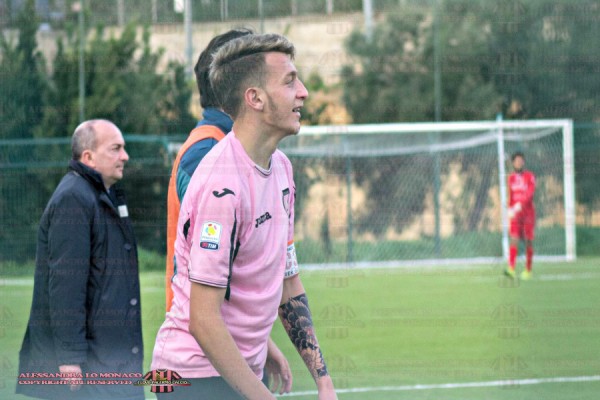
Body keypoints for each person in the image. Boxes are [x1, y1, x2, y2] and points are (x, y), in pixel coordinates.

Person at [151, 33, 337, 399]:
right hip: (192, 378)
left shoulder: (281, 168)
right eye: (290, 81)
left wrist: (323, 380)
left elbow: (288, 281)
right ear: (255, 98)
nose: (303, 92)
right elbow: (203, 320)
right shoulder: (221, 184)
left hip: (238, 369)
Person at [164, 28, 290, 390]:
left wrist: (262, 342)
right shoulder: (209, 155)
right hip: (202, 359)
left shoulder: (255, 155)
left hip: (229, 348)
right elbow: (210, 268)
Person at [16, 120, 144, 400]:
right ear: (88, 157)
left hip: (111, 361)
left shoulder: (103, 196)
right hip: (91, 367)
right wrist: (70, 357)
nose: (125, 156)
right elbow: (66, 285)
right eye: (116, 148)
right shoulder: (73, 198)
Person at [504, 151, 536, 280]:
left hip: (527, 214)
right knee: (514, 239)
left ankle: (528, 270)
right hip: (516, 215)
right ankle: (511, 268)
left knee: (528, 241)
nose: (519, 163)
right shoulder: (511, 178)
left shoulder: (529, 176)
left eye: (521, 160)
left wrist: (519, 205)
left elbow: (530, 193)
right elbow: (511, 196)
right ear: (513, 163)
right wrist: (510, 209)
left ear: (523, 162)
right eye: (517, 161)